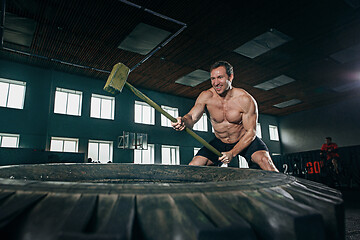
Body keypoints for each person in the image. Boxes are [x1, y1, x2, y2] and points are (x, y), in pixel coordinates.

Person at [171, 61, 278, 172]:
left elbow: (251, 132)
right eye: (213, 78)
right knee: (194, 165)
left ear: (230, 77)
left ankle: (282, 189)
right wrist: (183, 120)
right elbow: (192, 117)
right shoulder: (206, 96)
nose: (216, 83)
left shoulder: (244, 99)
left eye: (220, 77)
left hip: (244, 139)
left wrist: (232, 153)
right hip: (220, 141)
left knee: (266, 163)